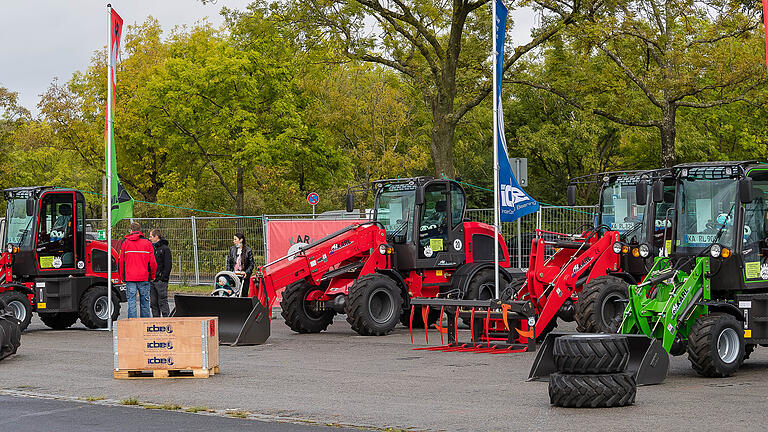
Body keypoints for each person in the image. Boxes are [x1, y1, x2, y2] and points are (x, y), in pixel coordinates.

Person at [119, 222, 157, 318]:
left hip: (130, 277)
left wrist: (122, 277)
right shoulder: (148, 243)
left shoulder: (125, 242)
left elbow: (121, 262)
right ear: (139, 230)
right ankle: (145, 327)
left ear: (131, 231)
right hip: (144, 277)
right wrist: (152, 276)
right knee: (145, 303)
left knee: (132, 303)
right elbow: (153, 262)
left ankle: (132, 327)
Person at [149, 229, 172, 317]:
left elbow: (168, 265)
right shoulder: (152, 249)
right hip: (152, 280)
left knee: (162, 302)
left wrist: (163, 278)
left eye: (151, 236)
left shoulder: (165, 249)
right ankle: (156, 321)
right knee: (154, 303)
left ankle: (167, 321)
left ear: (156, 237)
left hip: (161, 281)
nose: (149, 238)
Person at [226, 232, 254, 297]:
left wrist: (246, 272)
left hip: (244, 276)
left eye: (235, 239)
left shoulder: (248, 250)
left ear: (241, 240)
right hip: (234, 276)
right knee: (233, 293)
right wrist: (228, 272)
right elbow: (228, 262)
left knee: (244, 294)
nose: (234, 241)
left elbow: (251, 264)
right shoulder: (232, 249)